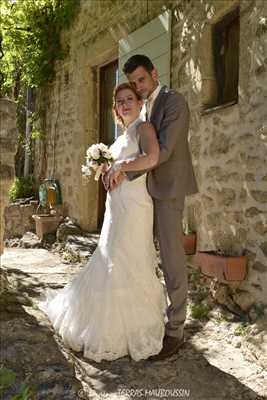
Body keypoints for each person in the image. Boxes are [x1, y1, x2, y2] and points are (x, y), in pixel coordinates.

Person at [38, 82, 167, 363]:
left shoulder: (144, 129)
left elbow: (152, 158)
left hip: (135, 207)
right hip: (115, 207)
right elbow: (117, 168)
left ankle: (134, 327)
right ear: (116, 109)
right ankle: (105, 324)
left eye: (129, 99)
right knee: (110, 258)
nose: (125, 104)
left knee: (131, 258)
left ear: (139, 102)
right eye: (120, 101)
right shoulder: (119, 137)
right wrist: (105, 169)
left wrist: (120, 166)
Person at [106, 55, 198, 361]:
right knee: (141, 258)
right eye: (134, 83)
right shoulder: (144, 106)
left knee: (172, 260)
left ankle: (175, 332)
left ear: (155, 74)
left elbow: (164, 151)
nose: (139, 87)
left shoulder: (174, 102)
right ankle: (145, 318)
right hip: (144, 197)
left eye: (142, 80)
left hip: (168, 191)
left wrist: (122, 168)